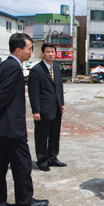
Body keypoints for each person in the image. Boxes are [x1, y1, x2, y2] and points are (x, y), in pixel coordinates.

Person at [0, 33, 48, 206]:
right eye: (29, 48)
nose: (32, 51)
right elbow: (1, 97)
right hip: (10, 129)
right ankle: (24, 201)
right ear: (18, 50)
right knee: (23, 165)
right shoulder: (14, 68)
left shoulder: (3, 66)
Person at [28, 43, 66, 172]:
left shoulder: (56, 68)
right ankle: (42, 160)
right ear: (42, 53)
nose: (51, 54)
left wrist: (62, 103)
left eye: (53, 52)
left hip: (56, 108)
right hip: (43, 109)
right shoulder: (36, 70)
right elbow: (34, 92)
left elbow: (59, 87)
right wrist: (36, 110)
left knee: (55, 135)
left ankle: (52, 158)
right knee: (42, 136)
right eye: (48, 52)